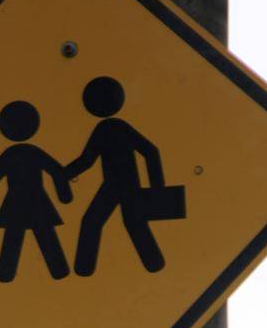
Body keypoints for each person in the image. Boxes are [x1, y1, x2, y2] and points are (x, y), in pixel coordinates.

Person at [66, 75, 182, 277]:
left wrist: (157, 189)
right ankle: (86, 270)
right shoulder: (109, 128)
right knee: (105, 221)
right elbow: (87, 160)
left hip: (123, 186)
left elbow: (150, 151)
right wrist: (64, 173)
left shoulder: (112, 128)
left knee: (111, 222)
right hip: (115, 185)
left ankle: (85, 269)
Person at [0, 100, 72, 283]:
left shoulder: (12, 153)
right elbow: (57, 171)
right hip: (36, 201)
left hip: (17, 203)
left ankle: (7, 275)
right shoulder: (32, 151)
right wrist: (64, 194)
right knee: (40, 235)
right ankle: (58, 271)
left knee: (18, 237)